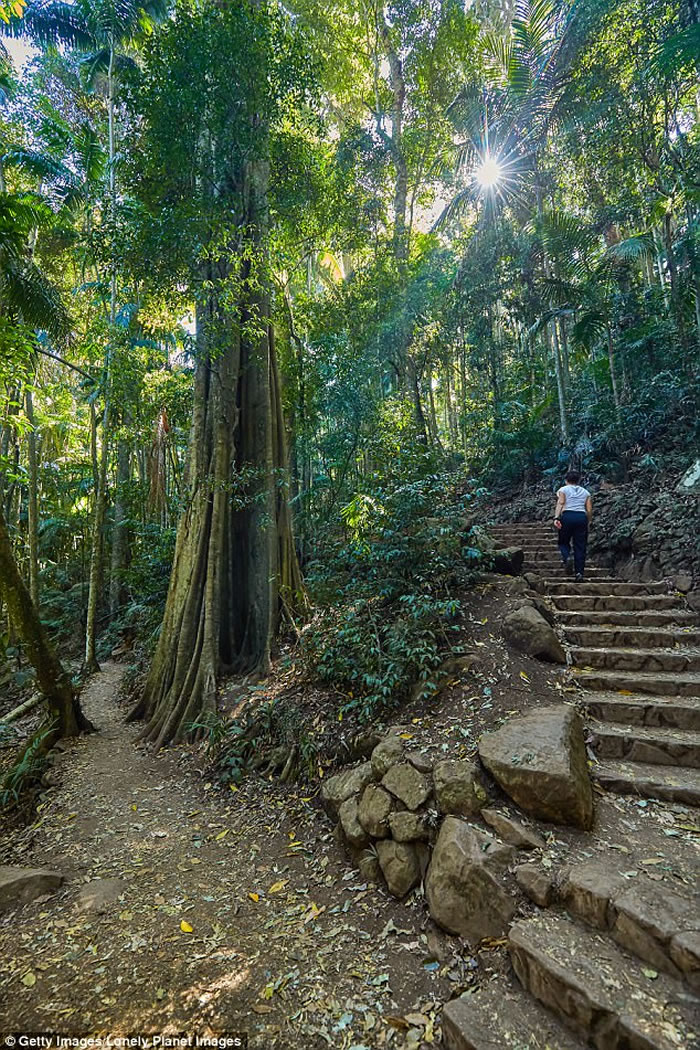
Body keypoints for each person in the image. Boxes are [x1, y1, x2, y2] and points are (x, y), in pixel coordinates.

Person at [553, 471, 593, 581]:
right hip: (581, 517)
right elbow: (589, 509)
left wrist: (556, 517)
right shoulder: (586, 492)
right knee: (580, 546)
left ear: (566, 480)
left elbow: (561, 503)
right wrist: (588, 521)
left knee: (563, 542)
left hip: (567, 516)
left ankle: (567, 557)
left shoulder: (563, 490)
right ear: (578, 480)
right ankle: (579, 573)